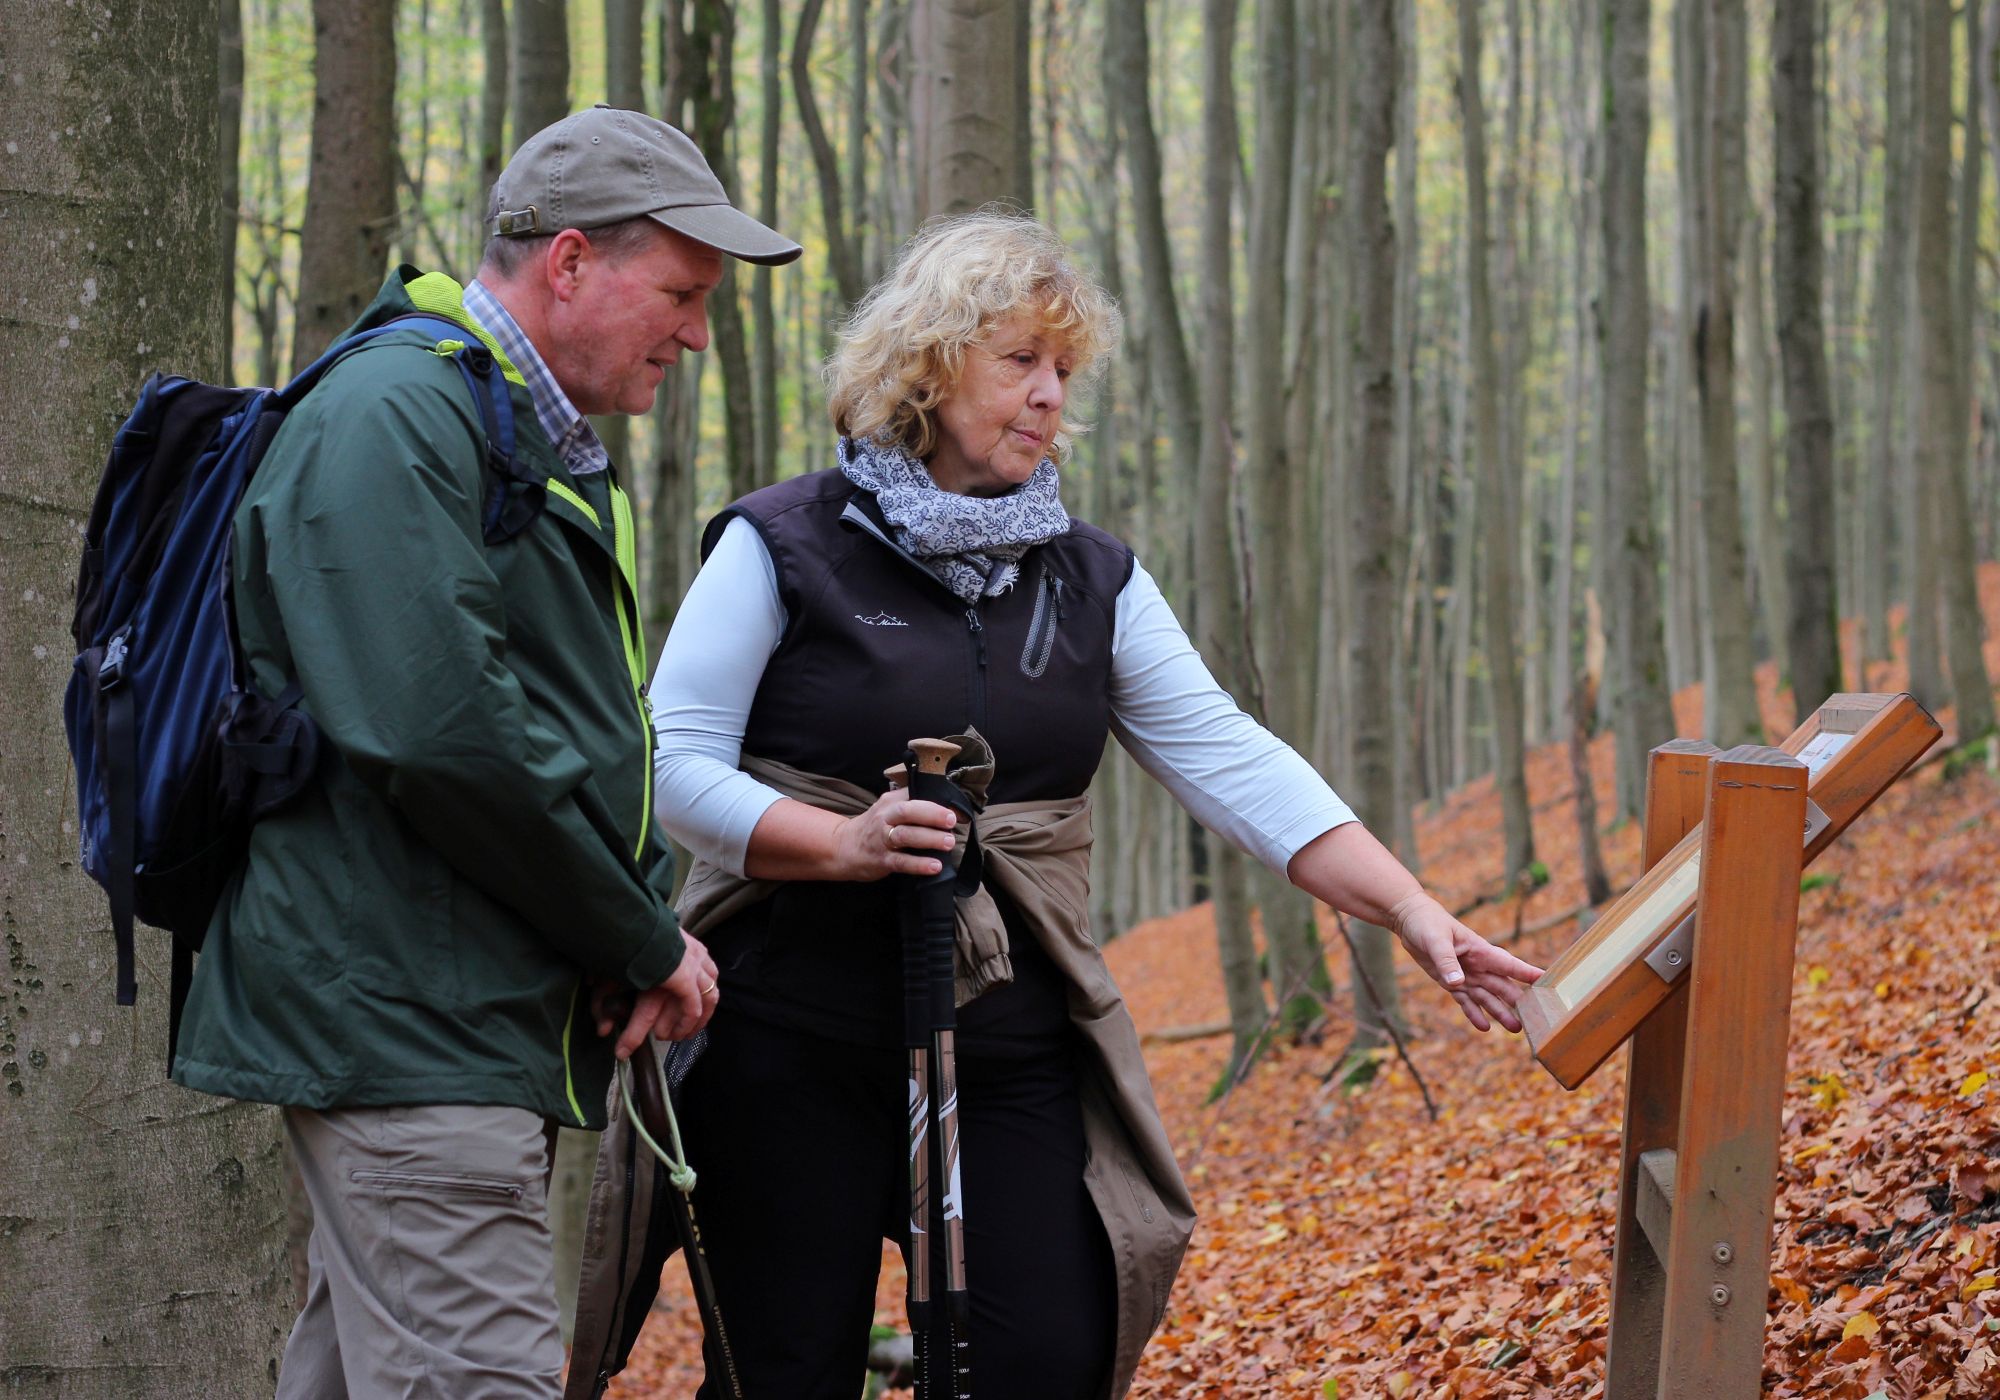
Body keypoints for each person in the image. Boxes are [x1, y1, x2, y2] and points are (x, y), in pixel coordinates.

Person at [647, 211, 1545, 1399]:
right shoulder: (784, 542)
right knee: (783, 1370)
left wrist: (1412, 910)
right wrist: (843, 841)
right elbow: (668, 760)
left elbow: (1231, 758)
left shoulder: (1089, 575)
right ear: (926, 362)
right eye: (1019, 359)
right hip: (788, 1033)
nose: (1047, 395)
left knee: (1047, 1354)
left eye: (1063, 370)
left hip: (1004, 1035)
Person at [168, 106, 800, 1397]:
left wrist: (615, 941)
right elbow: (441, 733)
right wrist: (633, 936)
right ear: (569, 263)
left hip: (450, 1017)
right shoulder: (397, 416)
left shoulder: (496, 425)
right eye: (679, 294)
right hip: (411, 1029)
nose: (694, 333)